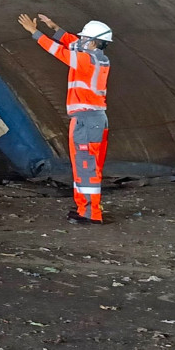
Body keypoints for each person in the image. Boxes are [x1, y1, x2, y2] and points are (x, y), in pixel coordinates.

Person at [17, 12, 113, 225]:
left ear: (94, 42)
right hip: (92, 119)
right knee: (84, 166)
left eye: (85, 38)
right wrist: (55, 28)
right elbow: (72, 43)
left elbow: (59, 51)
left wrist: (34, 33)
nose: (81, 41)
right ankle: (84, 207)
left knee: (86, 166)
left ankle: (91, 213)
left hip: (87, 121)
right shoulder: (97, 58)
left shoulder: (86, 60)